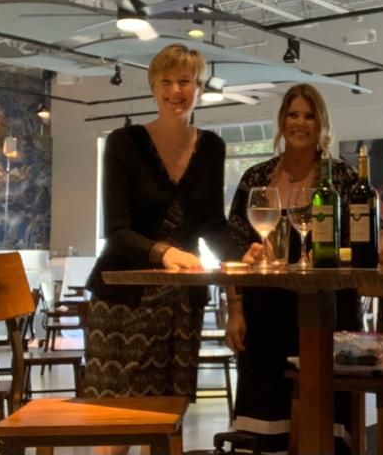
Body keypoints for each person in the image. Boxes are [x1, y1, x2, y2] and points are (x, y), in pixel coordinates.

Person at [82, 44, 259, 454]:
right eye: (166, 81)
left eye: (185, 81)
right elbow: (117, 231)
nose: (176, 90)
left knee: (168, 417)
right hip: (124, 298)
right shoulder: (124, 143)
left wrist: (239, 272)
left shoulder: (211, 147)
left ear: (198, 88)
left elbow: (213, 225)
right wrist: (164, 252)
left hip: (181, 303)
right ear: (152, 86)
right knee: (118, 422)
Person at [226, 83, 361, 454]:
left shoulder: (343, 179)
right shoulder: (256, 178)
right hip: (264, 310)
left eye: (309, 115)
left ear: (321, 124)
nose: (300, 123)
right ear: (282, 121)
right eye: (292, 114)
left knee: (326, 412)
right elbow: (234, 249)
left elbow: (357, 247)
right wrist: (234, 310)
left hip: (329, 310)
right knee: (264, 408)